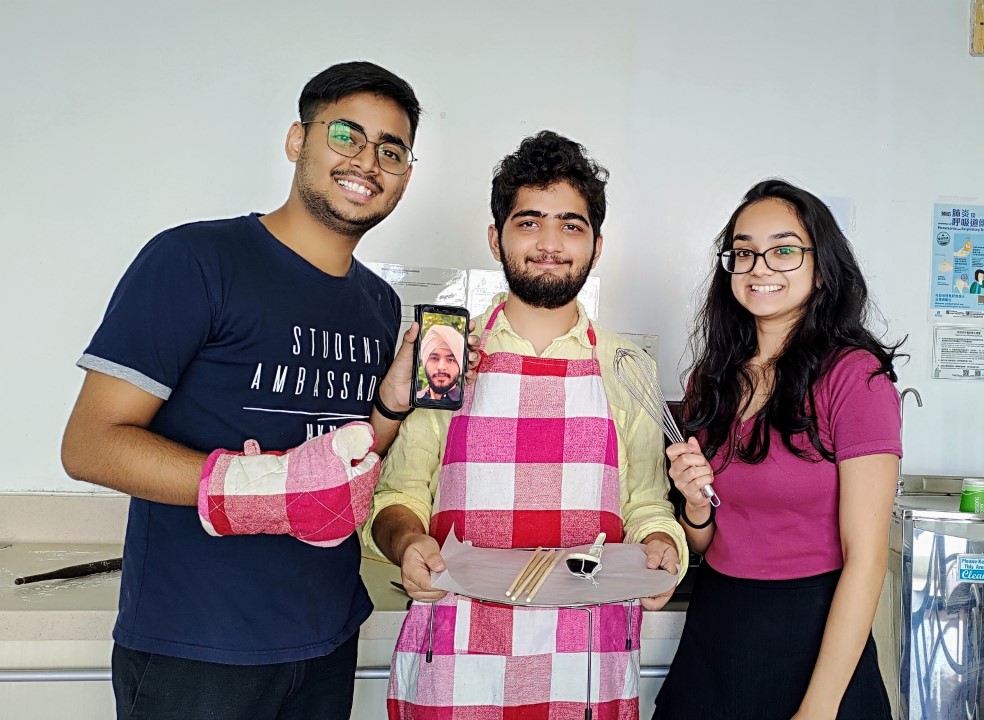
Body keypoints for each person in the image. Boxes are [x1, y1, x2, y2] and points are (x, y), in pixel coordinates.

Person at [61, 61, 428, 720]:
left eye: (391, 150)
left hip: (326, 637)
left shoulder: (377, 303)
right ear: (298, 140)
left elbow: (343, 460)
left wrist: (391, 405)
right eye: (347, 134)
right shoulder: (196, 260)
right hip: (198, 649)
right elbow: (90, 444)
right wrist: (264, 487)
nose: (368, 160)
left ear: (404, 175)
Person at [364, 130, 687, 720]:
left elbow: (646, 507)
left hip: (587, 664)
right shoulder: (449, 357)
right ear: (496, 237)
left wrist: (662, 547)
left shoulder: (624, 366)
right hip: (458, 659)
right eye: (529, 221)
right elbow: (398, 495)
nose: (549, 243)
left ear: (596, 244)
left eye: (571, 225)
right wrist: (408, 543)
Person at [653, 179, 903, 720]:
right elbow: (707, 543)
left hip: (813, 635)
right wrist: (695, 504)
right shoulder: (712, 379)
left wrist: (819, 709)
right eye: (744, 252)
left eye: (784, 249)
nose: (759, 266)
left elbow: (867, 560)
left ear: (821, 265)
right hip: (717, 628)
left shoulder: (854, 377)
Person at [416, 324, 463, 402]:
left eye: (450, 359)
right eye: (434, 358)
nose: (441, 367)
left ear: (460, 365)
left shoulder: (469, 403)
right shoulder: (414, 399)